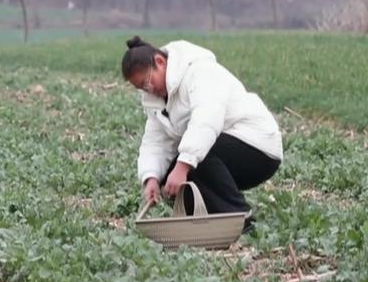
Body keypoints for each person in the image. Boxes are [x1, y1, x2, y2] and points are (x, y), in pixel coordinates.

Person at [121, 36, 283, 234]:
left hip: (258, 146)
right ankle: (209, 223)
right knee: (170, 178)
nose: (149, 89)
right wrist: (151, 178)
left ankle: (241, 219)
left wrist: (184, 165)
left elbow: (206, 121)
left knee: (194, 160)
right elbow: (155, 142)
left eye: (147, 82)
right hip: (223, 148)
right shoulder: (157, 101)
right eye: (141, 88)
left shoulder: (199, 71)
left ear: (160, 62)